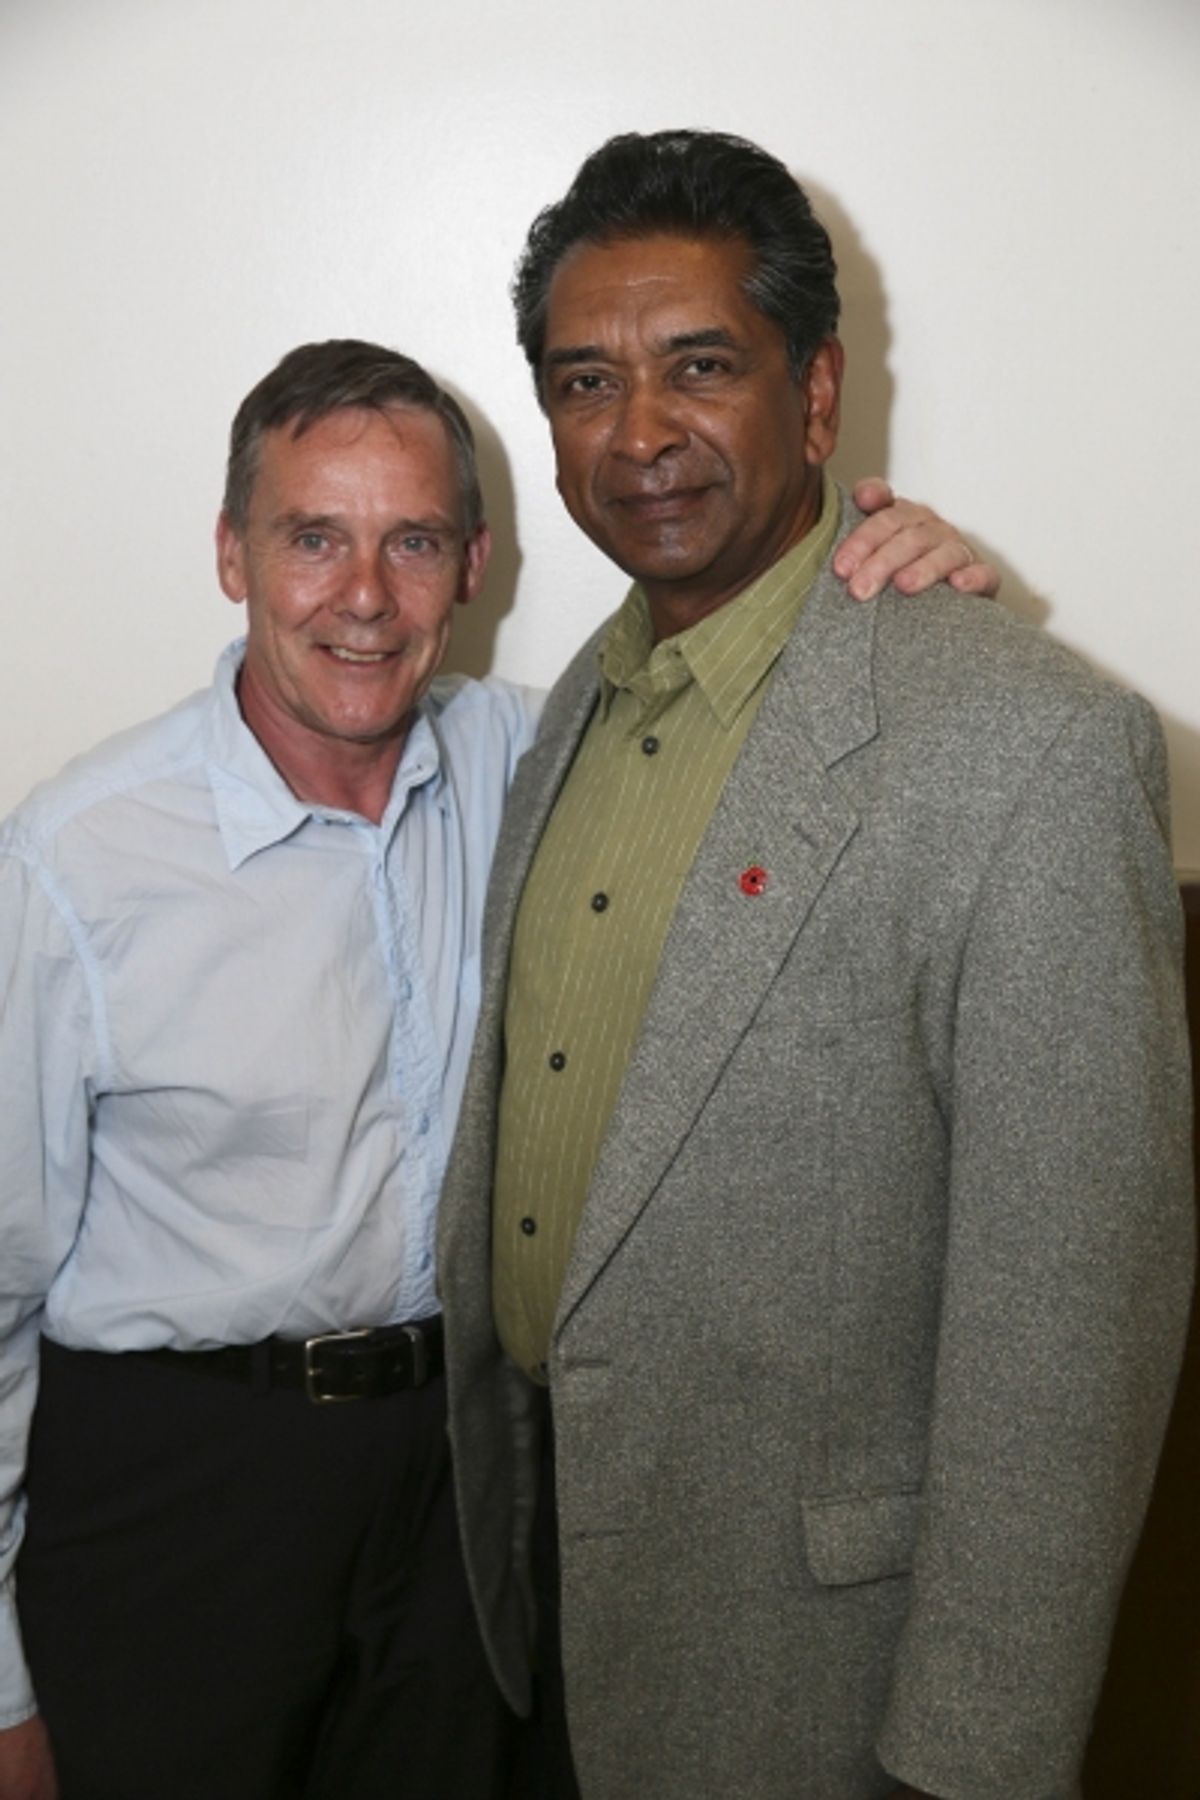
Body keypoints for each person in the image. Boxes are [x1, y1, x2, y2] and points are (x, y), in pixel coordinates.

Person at [0, 332, 984, 1800]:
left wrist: (900, 580)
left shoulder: (545, 761)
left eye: (411, 543)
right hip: (174, 1494)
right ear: (231, 556)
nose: (362, 597)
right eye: (312, 538)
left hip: (468, 1482)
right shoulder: (78, 863)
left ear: (473, 565)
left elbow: (772, 733)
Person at [437, 130, 1194, 1800]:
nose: (636, 434)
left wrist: (975, 1760)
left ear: (820, 391)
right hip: (552, 1602)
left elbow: (1069, 1338)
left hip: (828, 1675)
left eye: (700, 366)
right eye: (584, 380)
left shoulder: (1027, 749)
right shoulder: (572, 702)